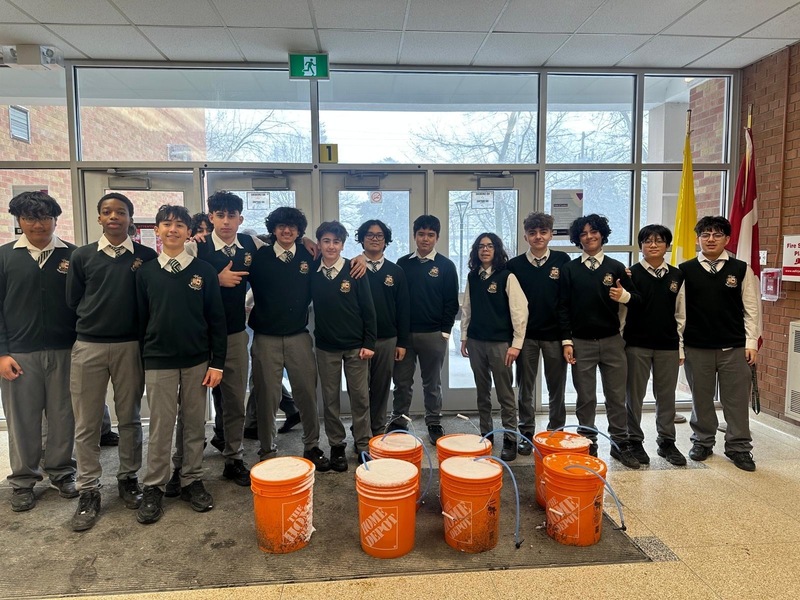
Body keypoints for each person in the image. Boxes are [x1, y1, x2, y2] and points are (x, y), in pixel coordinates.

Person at [66, 192, 158, 531]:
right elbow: (73, 300)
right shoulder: (82, 256)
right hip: (89, 346)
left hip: (130, 346)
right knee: (87, 422)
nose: (114, 217)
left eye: (121, 212)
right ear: (100, 218)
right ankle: (88, 489)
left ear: (131, 218)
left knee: (130, 417)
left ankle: (128, 477)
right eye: (107, 212)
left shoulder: (146, 256)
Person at [134, 204, 226, 524]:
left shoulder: (204, 271)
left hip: (197, 361)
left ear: (189, 232)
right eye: (166, 224)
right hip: (158, 360)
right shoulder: (145, 272)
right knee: (161, 425)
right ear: (157, 230)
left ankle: (191, 480)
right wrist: (142, 361)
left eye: (179, 225)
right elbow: (140, 321)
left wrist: (217, 363)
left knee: (194, 423)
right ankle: (155, 486)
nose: (172, 229)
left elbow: (216, 320)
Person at [167, 192, 261, 495]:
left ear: (240, 219)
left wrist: (309, 241)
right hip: (199, 338)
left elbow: (284, 244)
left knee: (234, 402)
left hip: (234, 336)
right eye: (220, 215)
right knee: (190, 408)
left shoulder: (250, 244)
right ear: (211, 218)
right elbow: (173, 283)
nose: (226, 221)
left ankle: (234, 458)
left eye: (232, 215)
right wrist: (214, 280)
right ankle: (181, 465)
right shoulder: (195, 248)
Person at [0, 191, 78, 512]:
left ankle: (62, 470)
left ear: (55, 219)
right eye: (30, 218)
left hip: (66, 351)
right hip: (19, 355)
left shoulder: (73, 255)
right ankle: (23, 479)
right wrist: (2, 353)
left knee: (63, 415)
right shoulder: (5, 257)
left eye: (45, 217)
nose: (38, 224)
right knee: (22, 419)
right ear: (19, 221)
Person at [248, 206, 329, 470]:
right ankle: (267, 451)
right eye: (281, 226)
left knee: (306, 394)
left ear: (299, 231)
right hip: (265, 338)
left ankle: (312, 445)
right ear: (273, 229)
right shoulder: (258, 257)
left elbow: (335, 261)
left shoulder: (309, 255)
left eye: (292, 227)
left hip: (298, 337)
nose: (286, 231)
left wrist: (359, 259)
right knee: (266, 398)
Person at [558, 214, 641, 469]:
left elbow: (638, 300)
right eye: (583, 233)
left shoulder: (616, 267)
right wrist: (566, 341)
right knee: (585, 397)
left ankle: (620, 442)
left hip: (612, 342)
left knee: (616, 396)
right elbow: (562, 307)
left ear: (602, 235)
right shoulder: (570, 269)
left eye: (593, 232)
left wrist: (623, 295)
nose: (589, 237)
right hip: (580, 342)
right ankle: (588, 441)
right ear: (578, 239)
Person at [679, 216, 761, 472]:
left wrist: (751, 342)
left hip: (734, 348)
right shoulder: (685, 270)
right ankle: (702, 441)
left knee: (736, 401)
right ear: (698, 239)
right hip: (697, 347)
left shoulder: (741, 269)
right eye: (705, 234)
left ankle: (739, 447)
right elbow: (679, 313)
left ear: (727, 239)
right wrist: (680, 345)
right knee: (701, 399)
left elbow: (752, 309)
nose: (711, 239)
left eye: (717, 234)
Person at [310, 221, 377, 471]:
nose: (331, 246)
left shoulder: (355, 269)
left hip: (356, 347)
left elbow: (369, 309)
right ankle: (336, 445)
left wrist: (369, 342)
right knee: (330, 399)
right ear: (319, 244)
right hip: (326, 346)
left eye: (336, 242)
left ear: (342, 245)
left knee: (360, 397)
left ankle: (362, 443)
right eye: (326, 241)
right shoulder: (312, 271)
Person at [389, 215, 459, 444]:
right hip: (405, 336)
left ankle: (434, 422)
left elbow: (451, 302)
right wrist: (399, 334)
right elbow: (396, 301)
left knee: (432, 383)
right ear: (414, 236)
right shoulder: (402, 264)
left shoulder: (446, 266)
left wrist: (445, 332)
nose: (425, 239)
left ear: (437, 237)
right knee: (402, 382)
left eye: (430, 235)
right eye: (421, 234)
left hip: (434, 335)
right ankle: (398, 420)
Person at [506, 212, 571, 454]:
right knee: (526, 387)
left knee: (556, 386)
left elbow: (568, 300)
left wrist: (567, 338)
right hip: (527, 337)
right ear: (525, 236)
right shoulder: (514, 266)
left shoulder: (562, 260)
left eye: (543, 232)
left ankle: (556, 431)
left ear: (551, 235)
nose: (538, 237)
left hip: (555, 335)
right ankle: (526, 432)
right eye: (532, 233)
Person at [623, 224, 687, 467]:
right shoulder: (630, 274)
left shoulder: (677, 275)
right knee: (634, 396)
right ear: (641, 246)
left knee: (666, 396)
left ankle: (667, 441)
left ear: (667, 246)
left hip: (668, 345)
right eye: (647, 241)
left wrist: (680, 347)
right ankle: (634, 440)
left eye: (659, 240)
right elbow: (622, 313)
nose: (653, 245)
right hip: (636, 345)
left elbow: (681, 314)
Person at [460, 233, 527, 461]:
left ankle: (510, 438)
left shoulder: (507, 276)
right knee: (482, 391)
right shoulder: (473, 276)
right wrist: (464, 337)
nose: (485, 250)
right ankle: (486, 433)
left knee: (505, 394)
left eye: (489, 246)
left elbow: (520, 311)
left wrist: (516, 345)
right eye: (481, 246)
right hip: (476, 342)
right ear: (476, 251)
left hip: (501, 344)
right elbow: (467, 308)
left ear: (497, 250)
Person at [355, 219, 410, 436]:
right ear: (362, 239)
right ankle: (361, 429)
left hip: (387, 339)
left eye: (379, 235)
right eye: (369, 235)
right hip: (358, 340)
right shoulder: (353, 268)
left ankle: (377, 430)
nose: (375, 239)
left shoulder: (395, 272)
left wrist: (402, 342)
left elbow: (403, 309)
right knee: (359, 389)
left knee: (381, 387)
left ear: (386, 240)